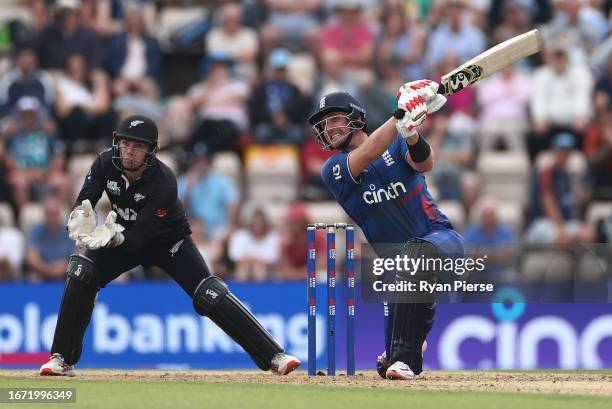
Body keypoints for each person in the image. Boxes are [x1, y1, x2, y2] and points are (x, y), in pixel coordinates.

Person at [39, 115, 300, 377]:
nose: (129, 152)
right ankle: (62, 358)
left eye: (138, 147)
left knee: (209, 293)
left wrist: (112, 236)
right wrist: (80, 215)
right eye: (125, 144)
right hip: (121, 236)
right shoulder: (105, 162)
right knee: (82, 272)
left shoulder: (164, 181)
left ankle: (274, 356)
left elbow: (142, 238)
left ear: (151, 151)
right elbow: (86, 199)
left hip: (168, 241)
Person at [307, 83, 464, 380]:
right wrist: (401, 114)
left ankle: (407, 360)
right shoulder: (334, 169)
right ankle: (406, 355)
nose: (329, 128)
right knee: (387, 363)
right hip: (399, 272)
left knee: (416, 253)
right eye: (324, 123)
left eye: (335, 118)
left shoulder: (396, 142)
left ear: (356, 117)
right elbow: (367, 154)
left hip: (443, 242)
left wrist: (411, 132)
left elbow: (426, 162)